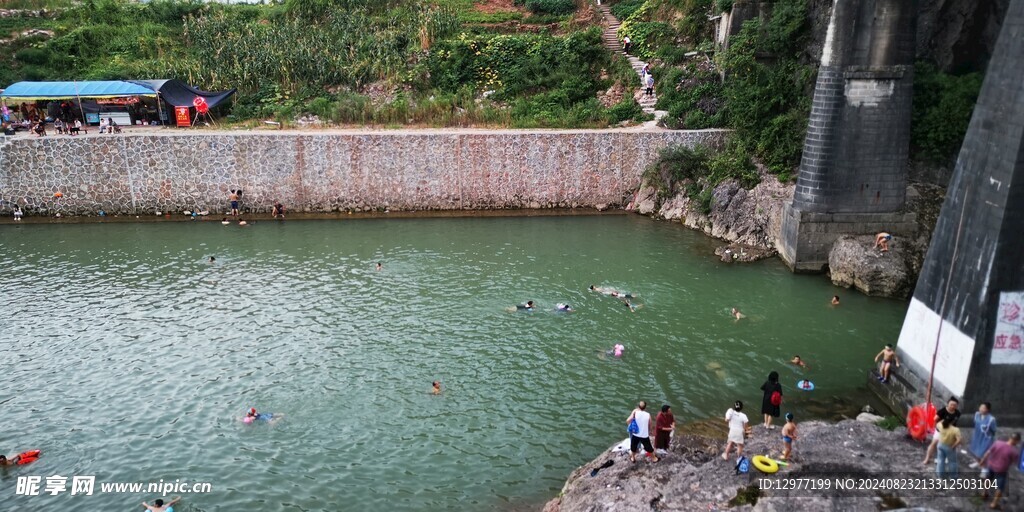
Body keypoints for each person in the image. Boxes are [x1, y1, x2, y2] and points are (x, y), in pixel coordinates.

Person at [980, 433, 1021, 510]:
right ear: (1016, 441)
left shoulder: (997, 443)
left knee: (988, 479)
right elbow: (1015, 462)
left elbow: (988, 452)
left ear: (1010, 437)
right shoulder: (1014, 451)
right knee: (1000, 487)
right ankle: (993, 504)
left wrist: (982, 461)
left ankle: (984, 493)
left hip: (991, 465)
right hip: (1001, 470)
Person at [923, 396, 961, 465]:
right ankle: (927, 458)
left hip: (950, 432)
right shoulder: (942, 411)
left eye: (955, 405)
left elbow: (955, 422)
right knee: (933, 444)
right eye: (951, 404)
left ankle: (945, 458)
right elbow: (935, 419)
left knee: (949, 445)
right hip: (940, 431)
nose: (953, 406)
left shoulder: (957, 413)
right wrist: (936, 428)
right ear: (948, 404)